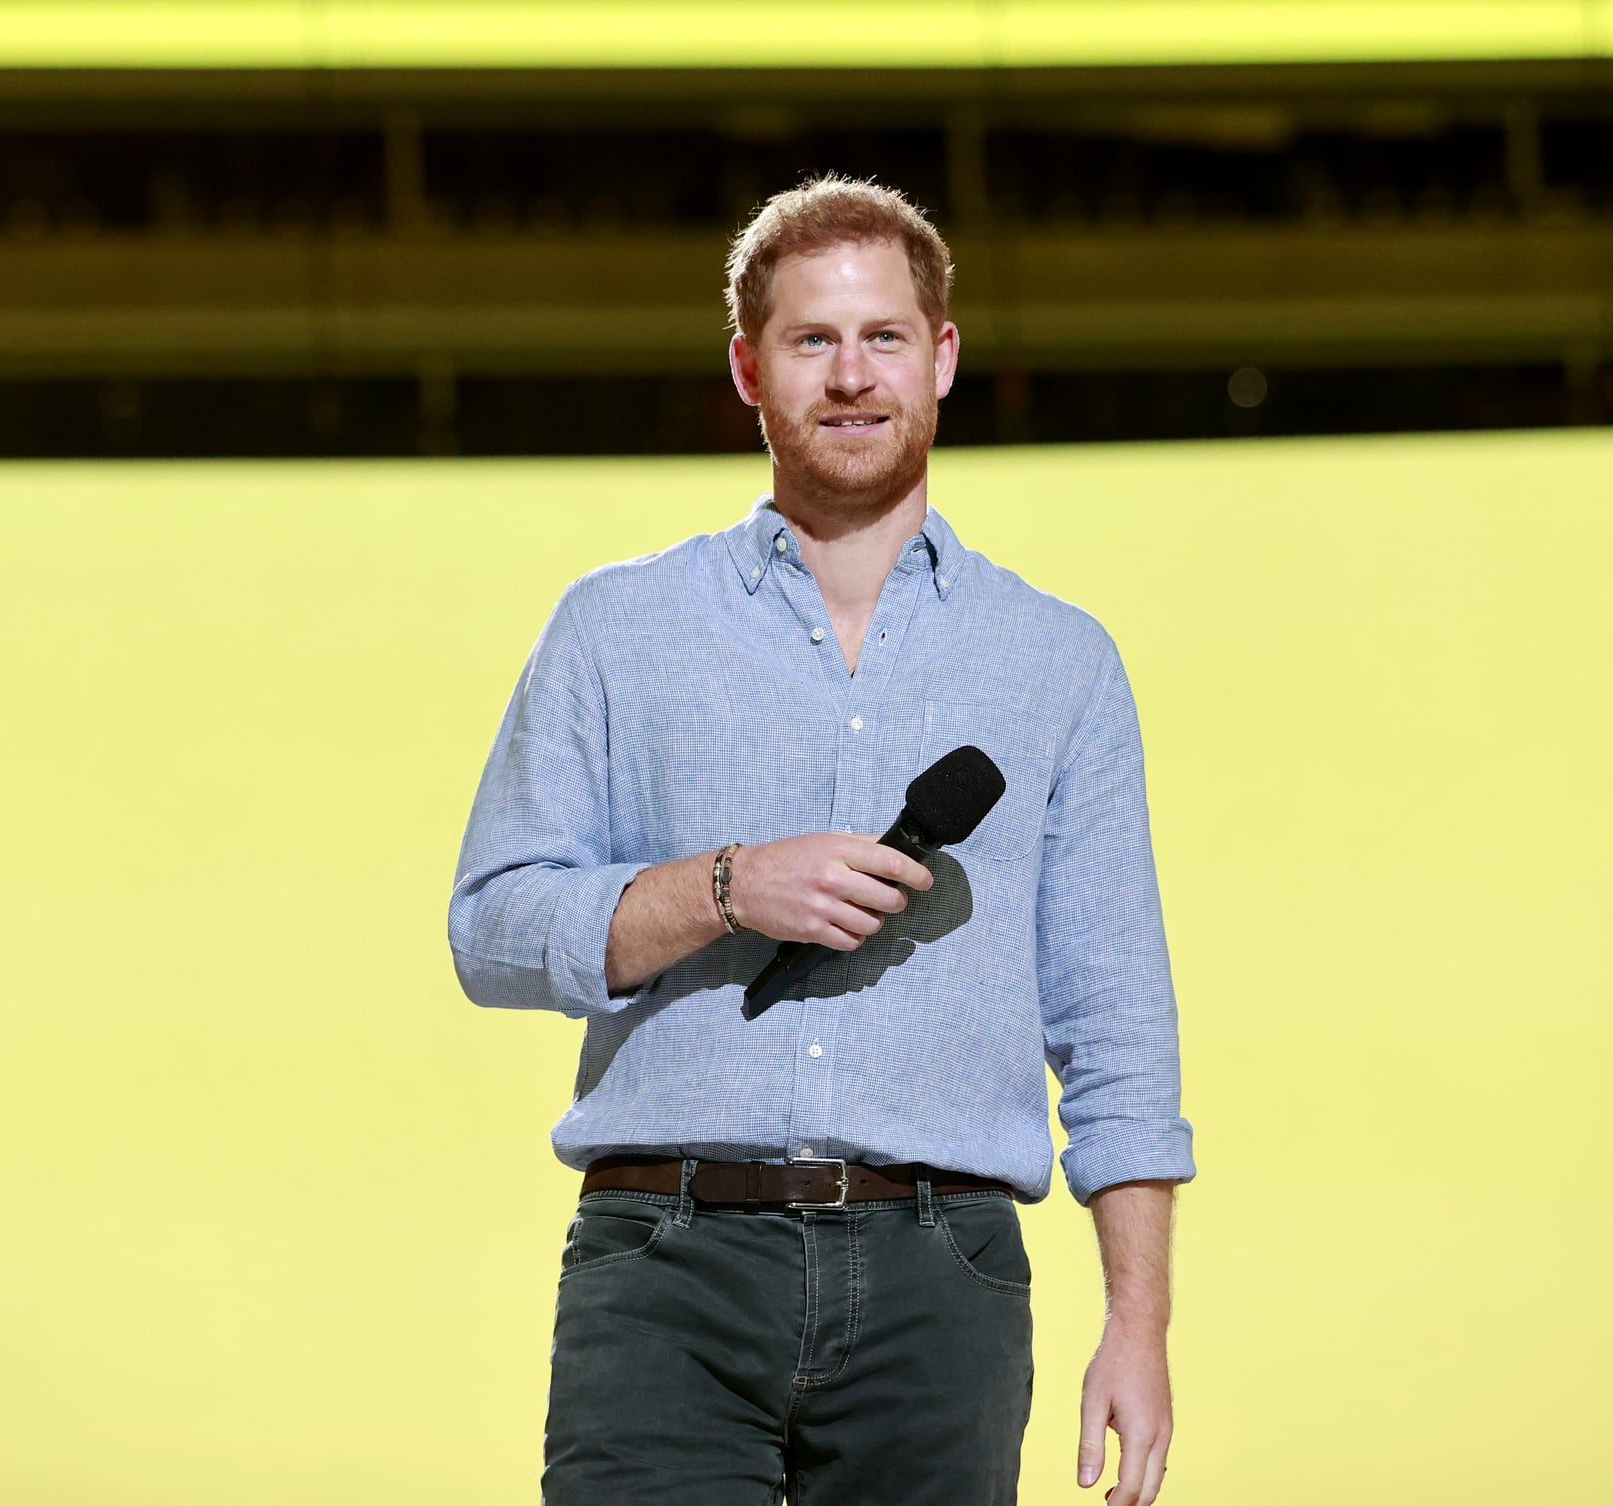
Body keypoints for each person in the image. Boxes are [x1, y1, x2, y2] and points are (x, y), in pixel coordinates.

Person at [448, 174, 1193, 1506]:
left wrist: (1138, 1327)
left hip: (943, 1274)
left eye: (885, 337)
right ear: (748, 368)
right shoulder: (617, 628)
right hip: (662, 1264)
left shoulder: (1059, 662)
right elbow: (492, 926)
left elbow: (1118, 1022)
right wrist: (726, 885)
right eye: (811, 341)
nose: (852, 376)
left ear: (944, 357)